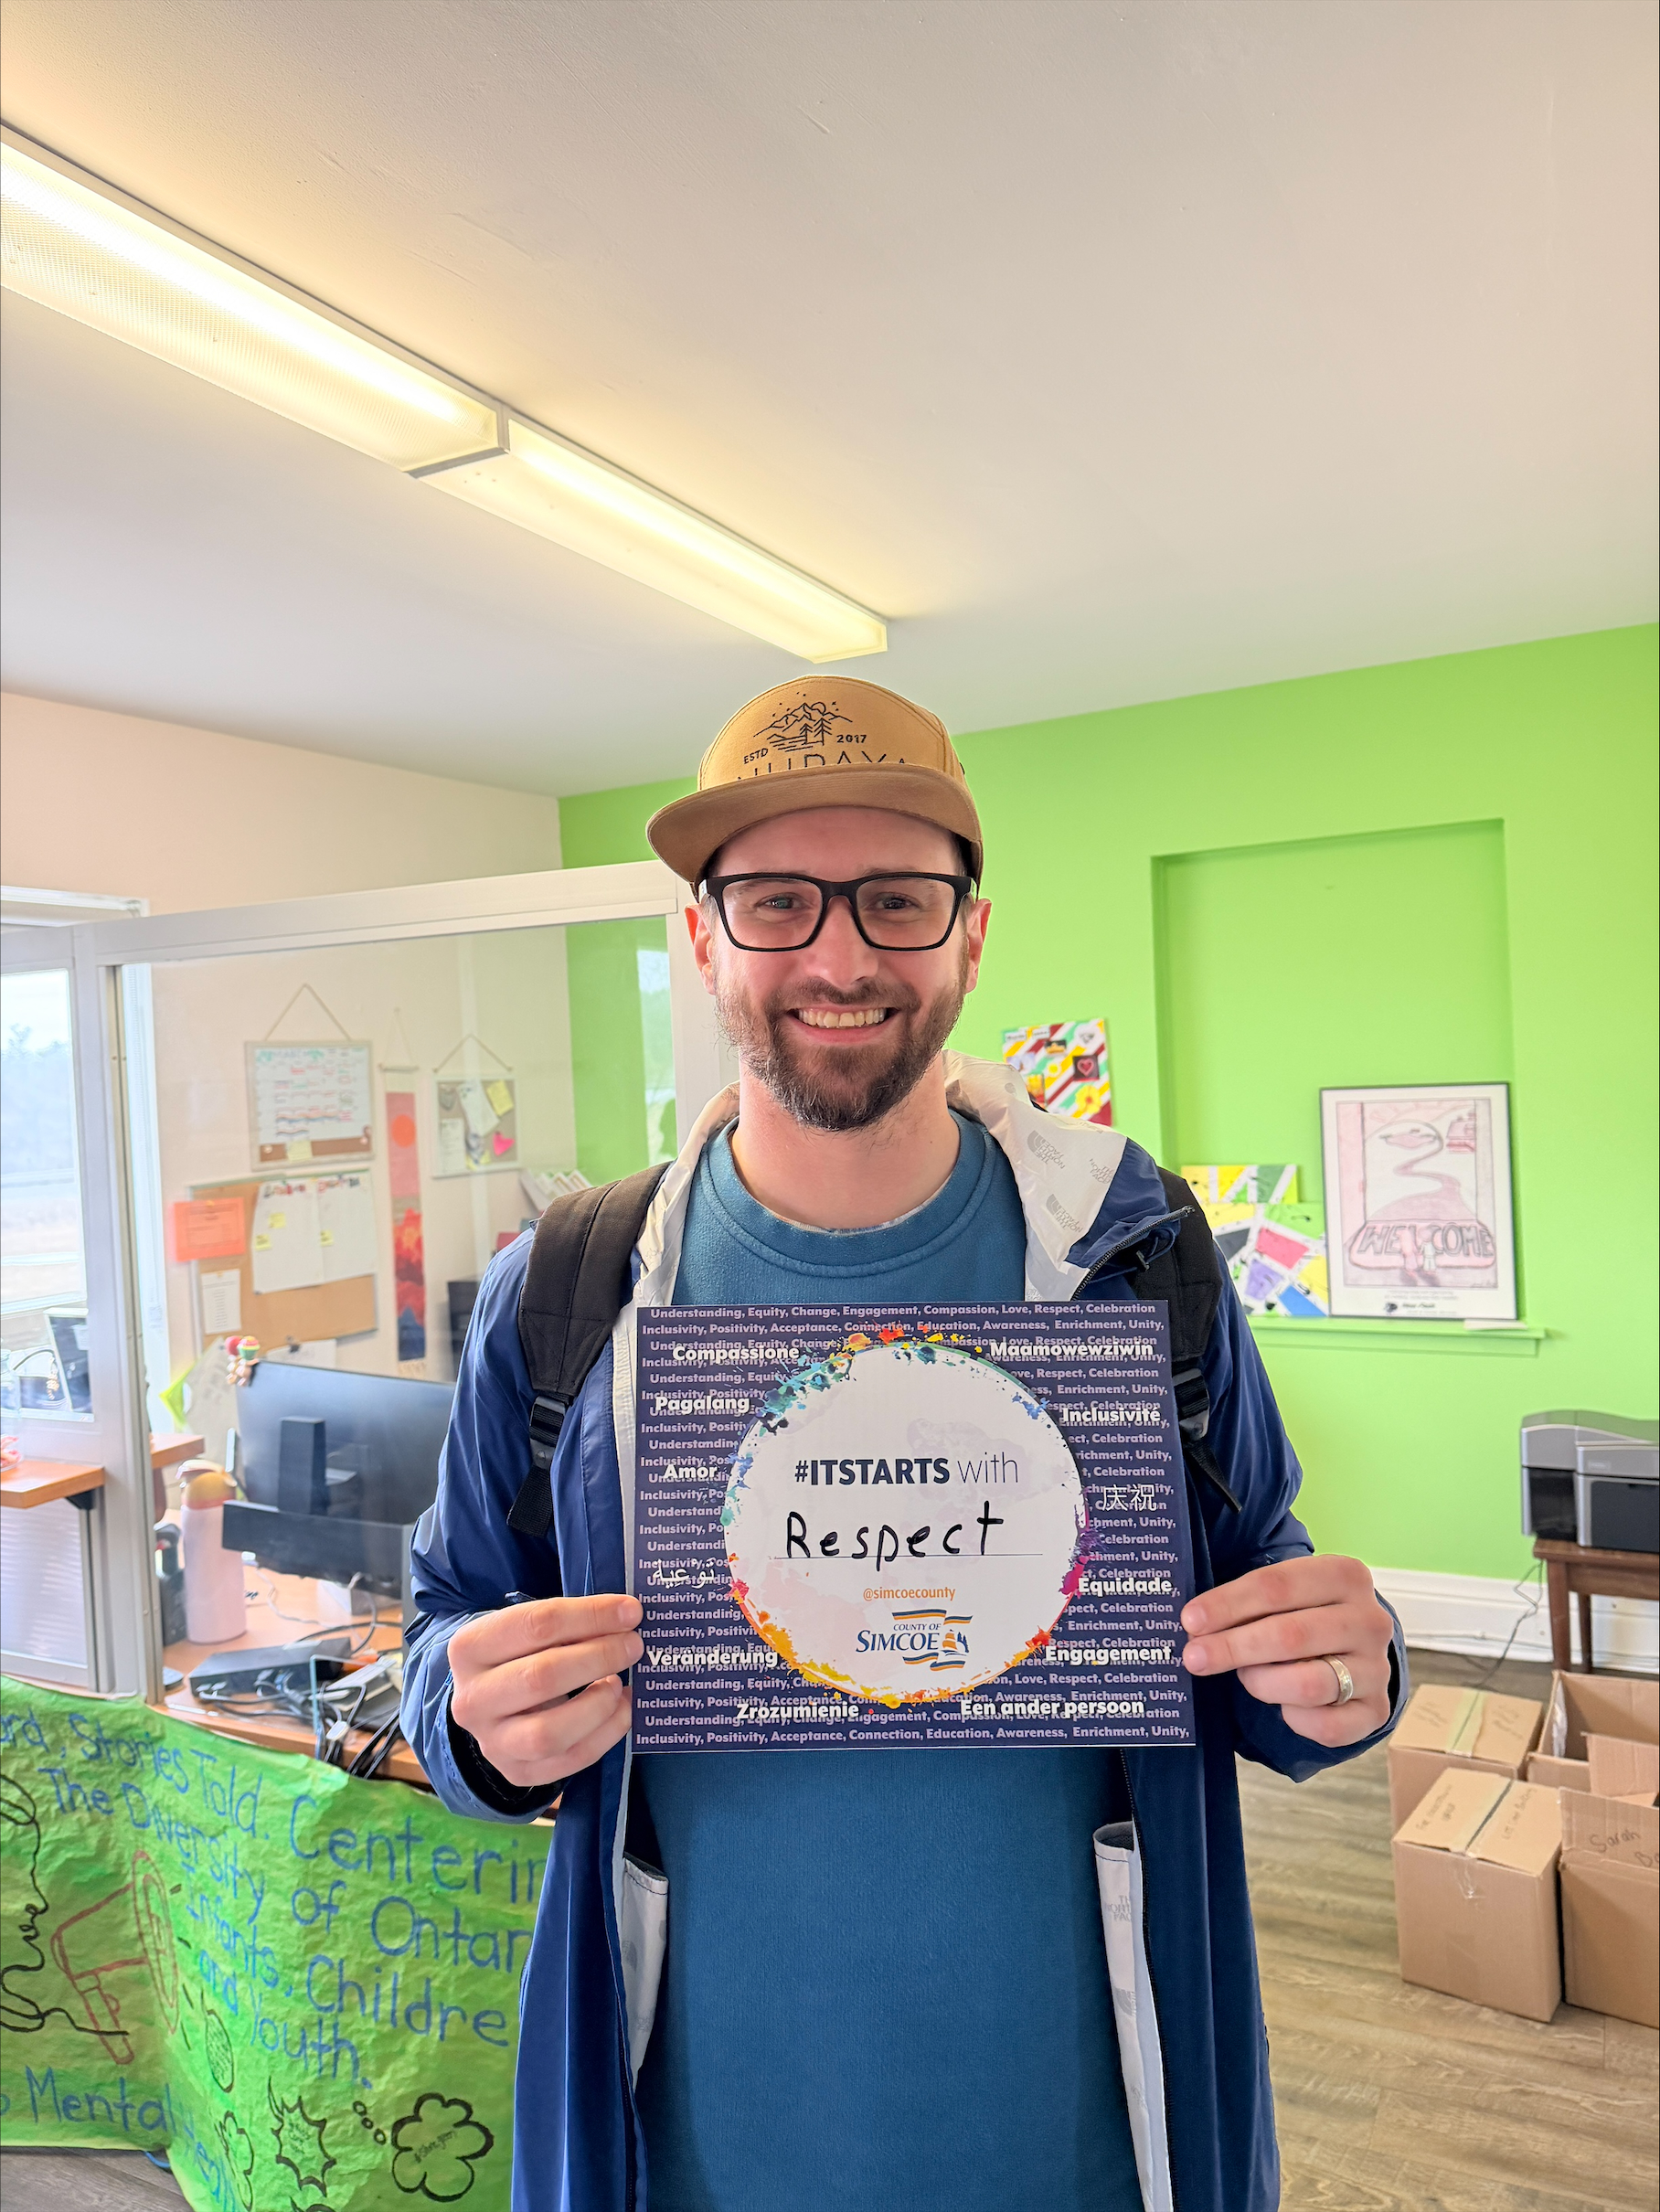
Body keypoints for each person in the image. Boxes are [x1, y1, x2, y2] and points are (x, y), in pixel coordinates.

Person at [403, 675, 1405, 2212]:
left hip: (1092, 2131)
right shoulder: (570, 1293)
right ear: (702, 937)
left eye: (897, 899)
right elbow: (445, 1633)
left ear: (972, 933)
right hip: (685, 2140)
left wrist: (1343, 1669)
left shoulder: (1135, 1254)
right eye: (778, 901)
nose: (841, 954)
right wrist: (473, 1723)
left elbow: (1259, 1615)